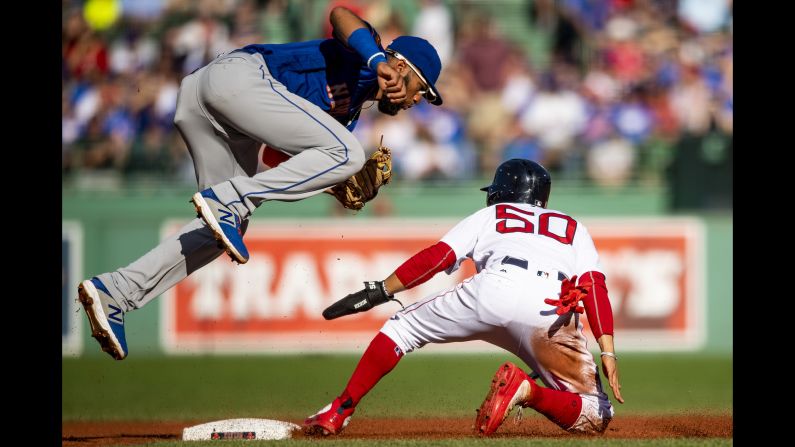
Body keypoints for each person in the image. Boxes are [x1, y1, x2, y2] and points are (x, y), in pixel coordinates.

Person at [77, 6, 444, 361]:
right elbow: (340, 16)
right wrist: (376, 60)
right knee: (346, 153)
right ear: (400, 66)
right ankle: (228, 199)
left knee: (221, 230)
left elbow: (272, 158)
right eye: (420, 89)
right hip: (239, 77)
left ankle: (115, 293)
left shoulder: (346, 118)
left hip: (210, 107)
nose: (417, 100)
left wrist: (337, 185)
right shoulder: (368, 53)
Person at [303, 158, 624, 436]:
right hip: (550, 311)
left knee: (402, 328)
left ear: (502, 192)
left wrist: (383, 290)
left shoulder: (493, 214)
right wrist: (608, 352)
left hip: (494, 288)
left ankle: (338, 411)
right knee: (596, 415)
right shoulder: (573, 227)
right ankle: (527, 391)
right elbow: (594, 286)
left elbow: (438, 257)